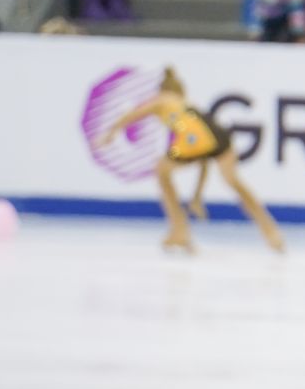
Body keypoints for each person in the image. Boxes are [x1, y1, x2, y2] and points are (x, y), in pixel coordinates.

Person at [100, 66, 285, 255]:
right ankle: (271, 231)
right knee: (234, 182)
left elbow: (134, 114)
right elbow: (204, 156)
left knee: (162, 170)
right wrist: (197, 195)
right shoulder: (186, 109)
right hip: (217, 137)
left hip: (191, 142)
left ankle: (180, 230)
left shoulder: (163, 100)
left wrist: (111, 132)